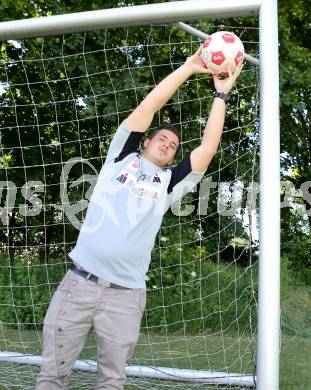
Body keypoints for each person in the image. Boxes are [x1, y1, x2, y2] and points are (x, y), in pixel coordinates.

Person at [36, 46, 243, 390]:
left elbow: (206, 149)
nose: (167, 144)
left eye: (174, 145)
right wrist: (190, 67)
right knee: (52, 376)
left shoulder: (169, 183)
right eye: (161, 138)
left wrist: (221, 94)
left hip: (126, 295)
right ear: (145, 142)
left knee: (112, 381)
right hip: (79, 285)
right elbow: (149, 107)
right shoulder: (121, 158)